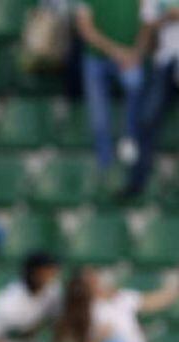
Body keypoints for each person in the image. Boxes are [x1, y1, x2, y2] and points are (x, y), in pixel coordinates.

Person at [75, 0, 151, 172]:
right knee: (99, 118)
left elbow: (148, 21)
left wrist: (136, 53)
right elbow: (85, 28)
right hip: (95, 60)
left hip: (130, 57)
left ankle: (130, 139)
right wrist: (116, 52)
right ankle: (105, 166)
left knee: (135, 84)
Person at [126, 1, 179, 196]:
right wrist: (136, 56)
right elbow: (148, 27)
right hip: (164, 62)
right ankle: (137, 181)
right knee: (146, 119)